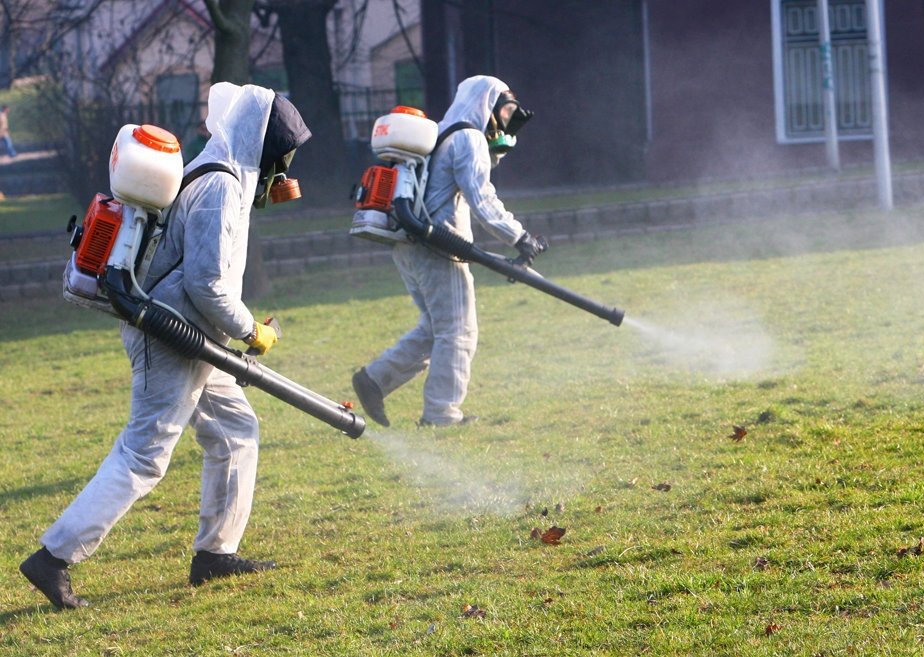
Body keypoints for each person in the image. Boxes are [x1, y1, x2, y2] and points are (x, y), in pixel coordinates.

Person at [18, 82, 311, 610]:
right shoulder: (221, 187)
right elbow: (208, 284)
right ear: (264, 147)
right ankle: (52, 558)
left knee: (236, 431)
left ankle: (215, 554)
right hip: (172, 336)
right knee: (144, 454)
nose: (282, 170)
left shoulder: (208, 170)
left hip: (193, 335)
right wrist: (251, 330)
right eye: (282, 158)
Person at [352, 75, 545, 428]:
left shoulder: (439, 134)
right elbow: (482, 199)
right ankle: (441, 414)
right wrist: (519, 237)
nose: (506, 122)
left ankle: (374, 380)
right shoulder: (468, 138)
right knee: (458, 330)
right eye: (505, 110)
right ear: (486, 103)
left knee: (435, 327)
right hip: (437, 248)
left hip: (409, 248)